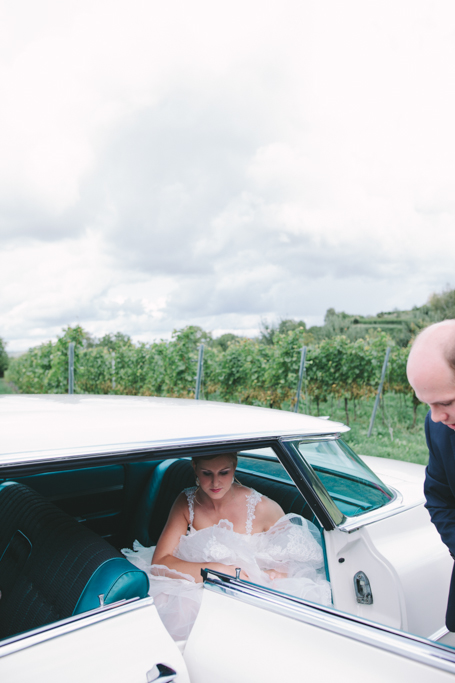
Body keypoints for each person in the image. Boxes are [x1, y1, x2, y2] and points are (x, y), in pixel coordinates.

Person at [123, 452, 331, 640]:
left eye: (224, 472)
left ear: (234, 466)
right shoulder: (186, 501)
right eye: (206, 473)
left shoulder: (263, 508)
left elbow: (297, 559)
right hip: (191, 584)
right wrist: (216, 570)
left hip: (243, 596)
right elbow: (160, 561)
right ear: (194, 467)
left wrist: (279, 573)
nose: (215, 482)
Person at [407, 319, 455, 631]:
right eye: (428, 405)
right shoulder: (438, 426)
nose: (436, 416)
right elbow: (439, 497)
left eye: (447, 402)